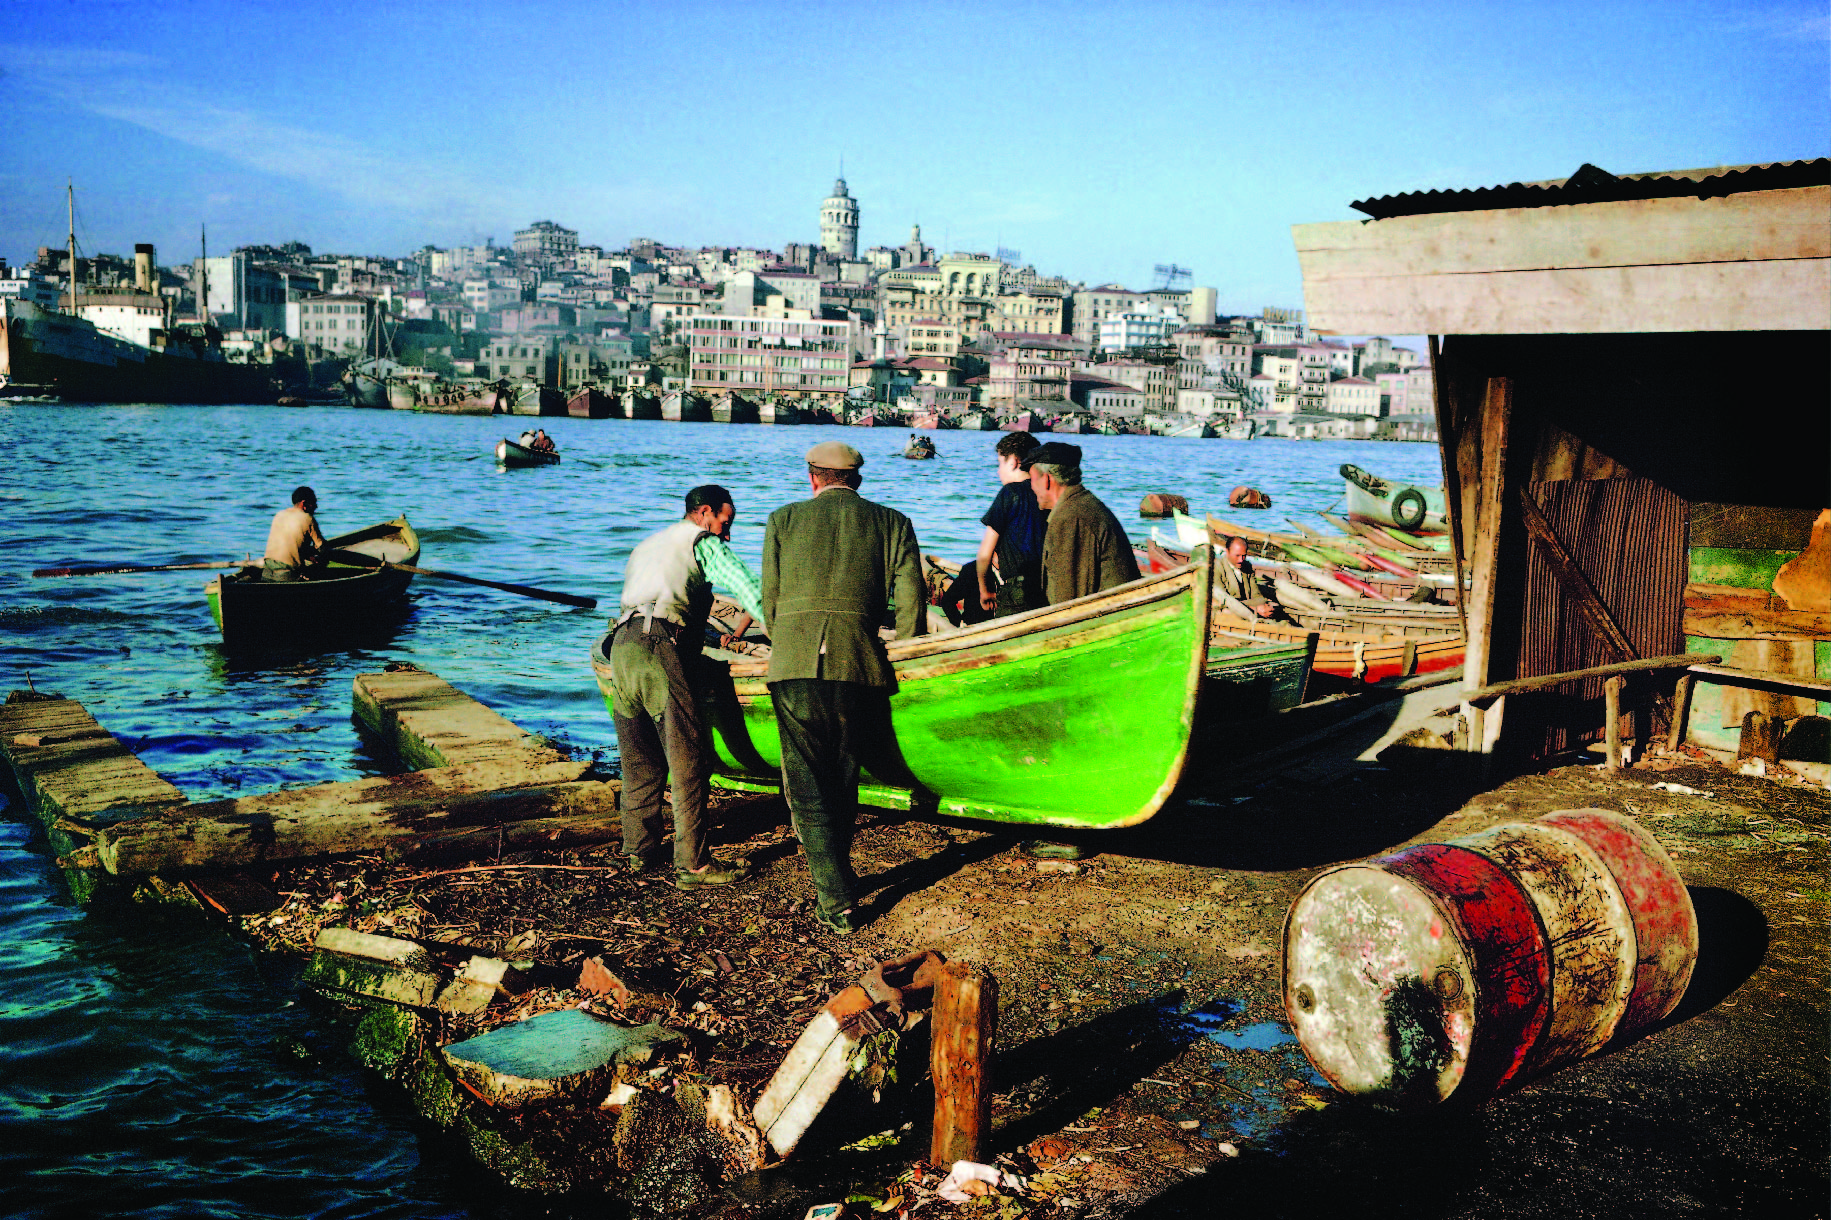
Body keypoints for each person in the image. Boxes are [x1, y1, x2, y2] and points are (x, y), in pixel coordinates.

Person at [762, 441, 926, 934]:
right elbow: (911, 592)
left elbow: (769, 600)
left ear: (813, 477)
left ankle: (836, 899)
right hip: (857, 663)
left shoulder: (782, 519)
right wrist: (913, 645)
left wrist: (788, 638)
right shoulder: (893, 521)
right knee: (844, 773)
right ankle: (839, 883)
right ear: (856, 480)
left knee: (808, 782)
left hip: (792, 661)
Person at [610, 484, 764, 890]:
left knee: (639, 759)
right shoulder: (703, 543)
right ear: (705, 513)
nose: (726, 534)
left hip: (621, 648)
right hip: (658, 646)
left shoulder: (648, 544)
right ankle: (693, 866)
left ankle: (638, 851)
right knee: (688, 759)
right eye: (725, 523)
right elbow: (750, 589)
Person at [1025, 442, 1140, 604]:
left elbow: (1068, 602)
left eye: (1032, 479)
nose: (1031, 487)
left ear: (1046, 480)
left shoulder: (1070, 517)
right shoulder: (1080, 506)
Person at [971, 431, 1050, 618]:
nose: (998, 471)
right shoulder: (1048, 493)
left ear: (1013, 461)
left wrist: (985, 590)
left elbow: (984, 555)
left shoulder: (1009, 493)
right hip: (1048, 588)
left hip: (1017, 592)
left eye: (1000, 463)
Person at [262, 486, 326, 582]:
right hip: (286, 576)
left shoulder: (279, 515)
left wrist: (307, 554)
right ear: (304, 503)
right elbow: (322, 548)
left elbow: (291, 543)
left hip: (266, 572)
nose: (316, 507)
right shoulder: (307, 518)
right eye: (314, 503)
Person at [1218, 535, 1278, 618]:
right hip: (1229, 613)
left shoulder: (1247, 567)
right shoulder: (1218, 568)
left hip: (1250, 610)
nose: (1241, 560)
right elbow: (1222, 601)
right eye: (1237, 556)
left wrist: (1264, 606)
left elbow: (1256, 594)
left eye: (1244, 556)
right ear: (1227, 551)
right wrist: (1253, 608)